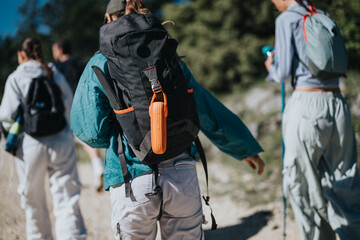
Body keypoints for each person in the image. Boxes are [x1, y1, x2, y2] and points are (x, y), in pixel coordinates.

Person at [71, 0, 265, 239]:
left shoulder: (100, 62)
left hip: (132, 175)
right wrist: (243, 147)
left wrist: (124, 126)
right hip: (181, 172)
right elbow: (205, 109)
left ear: (109, 19)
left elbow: (89, 130)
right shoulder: (167, 53)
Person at [265, 0, 360, 239]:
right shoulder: (323, 16)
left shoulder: (286, 19)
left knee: (301, 183)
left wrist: (271, 66)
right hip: (338, 104)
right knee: (344, 181)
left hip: (306, 105)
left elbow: (283, 72)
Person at [0, 37, 86, 239]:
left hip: (30, 145)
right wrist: (67, 133)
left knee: (34, 202)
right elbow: (69, 105)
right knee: (67, 199)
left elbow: (6, 116)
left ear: (21, 55)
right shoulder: (53, 73)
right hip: (61, 142)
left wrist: (13, 139)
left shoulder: (15, 77)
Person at [52, 39, 105, 192]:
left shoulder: (56, 69)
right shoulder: (81, 64)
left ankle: (72, 178)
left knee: (66, 143)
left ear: (60, 50)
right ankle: (97, 169)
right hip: (84, 105)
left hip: (65, 108)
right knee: (86, 140)